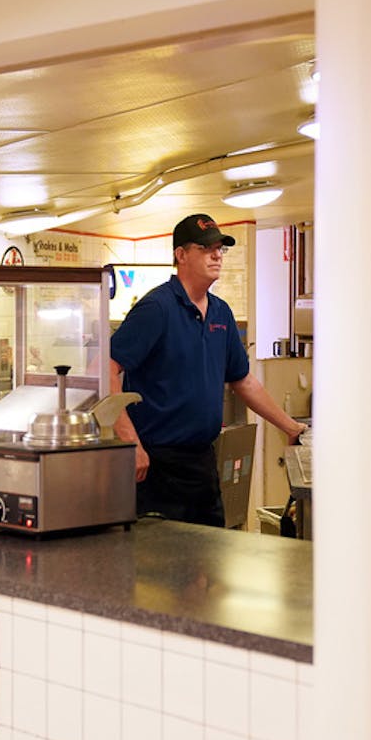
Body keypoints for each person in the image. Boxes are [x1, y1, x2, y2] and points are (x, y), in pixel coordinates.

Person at [110, 213, 307, 526]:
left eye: (220, 248)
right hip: (156, 464)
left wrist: (290, 427)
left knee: (209, 561)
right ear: (181, 254)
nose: (217, 255)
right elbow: (104, 369)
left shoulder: (220, 312)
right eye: (205, 248)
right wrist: (130, 444)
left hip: (202, 461)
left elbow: (243, 381)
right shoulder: (157, 308)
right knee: (160, 569)